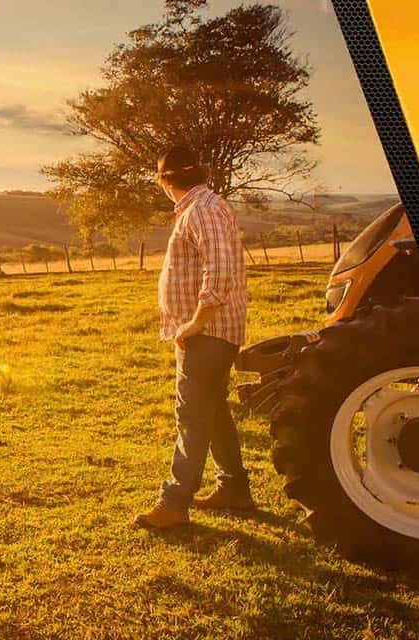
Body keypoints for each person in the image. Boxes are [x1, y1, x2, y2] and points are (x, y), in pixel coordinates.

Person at [135, 146, 253, 530]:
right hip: (210, 331)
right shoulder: (203, 207)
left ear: (164, 180)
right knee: (213, 409)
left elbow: (220, 272)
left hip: (209, 331)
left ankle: (174, 502)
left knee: (192, 413)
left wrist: (196, 322)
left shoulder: (202, 209)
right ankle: (233, 489)